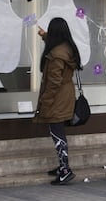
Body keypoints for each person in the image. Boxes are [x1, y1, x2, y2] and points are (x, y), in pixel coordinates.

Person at [33, 17, 82, 185]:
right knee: (57, 131)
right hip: (65, 94)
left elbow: (53, 83)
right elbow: (55, 43)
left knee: (57, 133)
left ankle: (65, 169)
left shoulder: (56, 55)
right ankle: (63, 166)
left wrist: (45, 103)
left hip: (57, 98)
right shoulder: (66, 47)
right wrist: (44, 35)